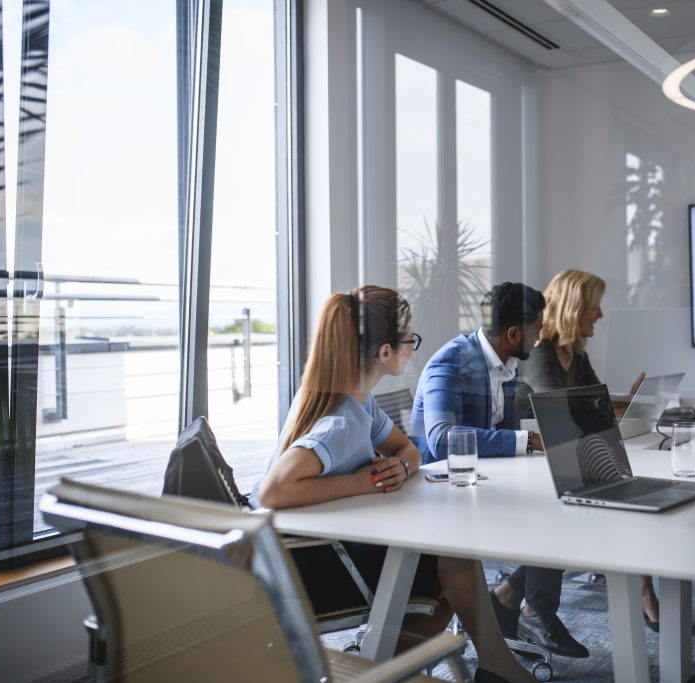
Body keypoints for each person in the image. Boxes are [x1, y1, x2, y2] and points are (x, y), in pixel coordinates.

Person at [254, 285, 533, 683]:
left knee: (451, 564)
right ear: (385, 352)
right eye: (410, 341)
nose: (412, 349)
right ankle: (483, 667)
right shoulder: (343, 422)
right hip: (316, 567)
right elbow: (274, 489)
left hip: (304, 553)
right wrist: (362, 482)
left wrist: (400, 468)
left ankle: (472, 666)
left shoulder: (355, 399)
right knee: (452, 559)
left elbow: (408, 448)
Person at [409, 283, 593, 659]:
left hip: (481, 478)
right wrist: (528, 443)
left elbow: (506, 434)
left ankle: (511, 600)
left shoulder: (505, 364)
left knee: (566, 491)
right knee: (553, 510)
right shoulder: (451, 363)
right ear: (514, 333)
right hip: (440, 489)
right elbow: (442, 439)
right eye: (537, 328)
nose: (540, 336)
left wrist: (540, 450)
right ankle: (534, 611)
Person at [508, 269, 660, 632]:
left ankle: (506, 595)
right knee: (621, 493)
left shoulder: (573, 354)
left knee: (627, 484)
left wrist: (634, 400)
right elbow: (561, 412)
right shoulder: (541, 353)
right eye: (595, 307)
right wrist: (613, 407)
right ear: (575, 308)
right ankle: (537, 609)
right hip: (534, 462)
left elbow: (597, 404)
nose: (601, 315)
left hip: (567, 454)